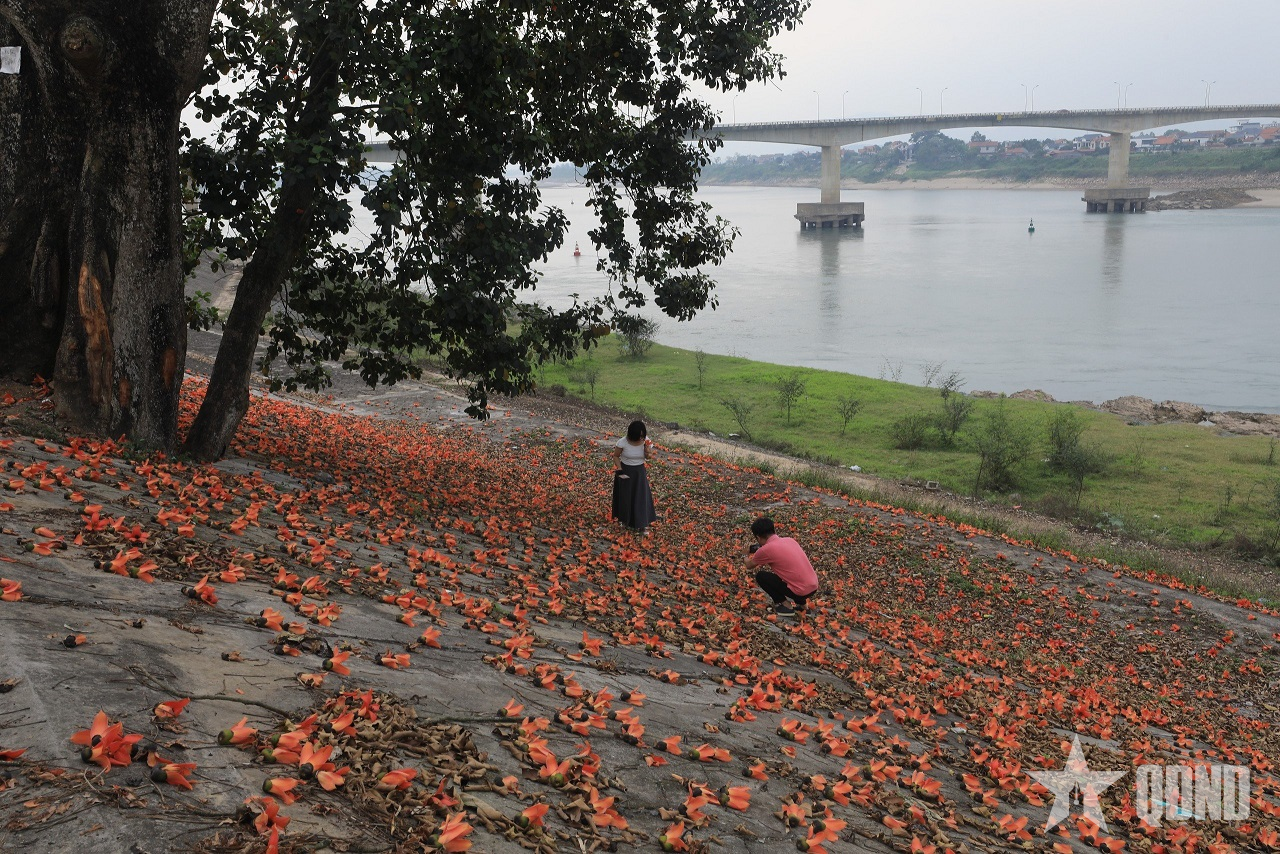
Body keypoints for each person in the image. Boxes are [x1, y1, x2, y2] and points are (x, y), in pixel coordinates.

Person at [745, 517, 817, 616]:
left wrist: (744, 554)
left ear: (758, 537)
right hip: (813, 586)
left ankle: (786, 605)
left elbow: (749, 565)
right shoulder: (790, 540)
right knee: (791, 575)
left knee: (761, 576)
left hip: (800, 591)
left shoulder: (765, 550)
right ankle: (803, 607)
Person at [612, 420, 657, 532]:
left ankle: (641, 523)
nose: (642, 438)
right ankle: (625, 520)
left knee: (640, 497)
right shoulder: (622, 442)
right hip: (625, 470)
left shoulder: (646, 441)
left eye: (643, 436)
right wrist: (619, 469)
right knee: (625, 497)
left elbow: (649, 457)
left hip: (639, 472)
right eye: (639, 436)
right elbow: (616, 456)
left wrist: (647, 451)